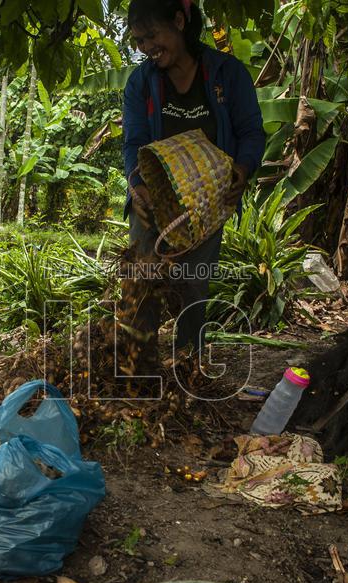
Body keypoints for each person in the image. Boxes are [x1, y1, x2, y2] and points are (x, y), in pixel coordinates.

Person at [122, 0, 264, 356]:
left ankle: (187, 368)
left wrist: (241, 171)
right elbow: (134, 143)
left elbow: (251, 134)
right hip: (152, 199)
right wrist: (137, 189)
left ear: (180, 20)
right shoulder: (141, 83)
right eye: (139, 41)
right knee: (141, 285)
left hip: (205, 203)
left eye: (152, 35)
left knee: (193, 289)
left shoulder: (227, 74)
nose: (146, 48)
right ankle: (137, 368)